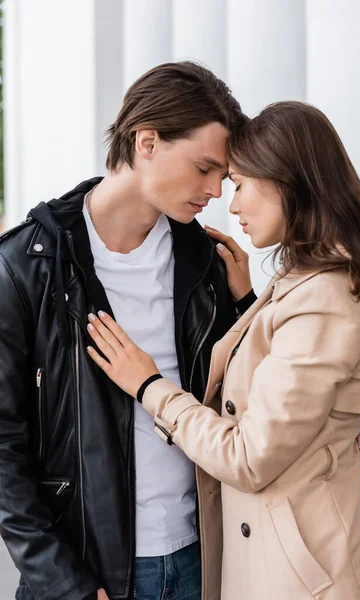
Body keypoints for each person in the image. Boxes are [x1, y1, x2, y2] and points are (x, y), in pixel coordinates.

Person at [85, 101, 360, 599]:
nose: (230, 205)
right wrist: (249, 303)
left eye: (237, 183)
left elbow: (249, 457)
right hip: (285, 565)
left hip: (309, 580)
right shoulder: (305, 282)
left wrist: (149, 386)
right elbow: (287, 390)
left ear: (286, 181)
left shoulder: (324, 299)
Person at [0, 62, 250, 600]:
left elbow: (243, 403)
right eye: (205, 168)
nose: (215, 191)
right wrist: (61, 582)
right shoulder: (26, 266)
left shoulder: (205, 262)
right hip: (89, 573)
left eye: (223, 177)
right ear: (147, 142)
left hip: (202, 560)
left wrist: (247, 304)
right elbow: (3, 445)